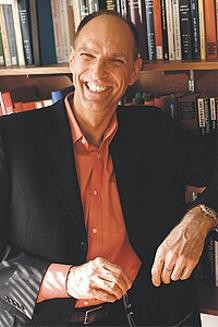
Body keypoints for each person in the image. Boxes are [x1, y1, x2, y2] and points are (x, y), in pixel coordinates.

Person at [0, 10, 217, 327]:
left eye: (115, 60)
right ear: (72, 60)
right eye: (88, 55)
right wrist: (68, 280)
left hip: (143, 315)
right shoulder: (11, 138)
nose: (98, 72)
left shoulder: (153, 130)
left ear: (134, 71)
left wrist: (202, 216)